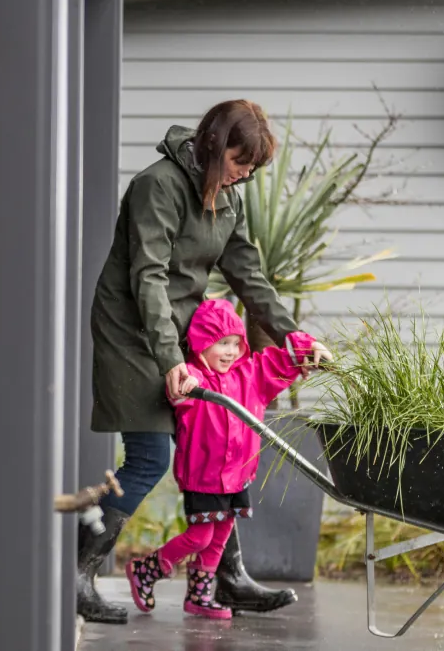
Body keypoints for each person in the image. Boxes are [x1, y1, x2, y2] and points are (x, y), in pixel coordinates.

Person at [78, 99, 334, 623]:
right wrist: (171, 357)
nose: (246, 174)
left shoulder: (227, 198)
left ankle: (227, 577)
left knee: (218, 445)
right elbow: (146, 274)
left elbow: (250, 277)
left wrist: (296, 340)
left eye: (253, 167)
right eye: (242, 162)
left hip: (180, 328)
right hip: (131, 330)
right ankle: (77, 575)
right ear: (216, 145)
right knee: (149, 456)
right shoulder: (159, 186)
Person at [125, 299, 319, 619]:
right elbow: (179, 390)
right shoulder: (193, 375)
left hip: (236, 474)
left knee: (220, 535)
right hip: (204, 475)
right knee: (200, 536)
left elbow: (282, 361)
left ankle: (199, 595)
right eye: (220, 344)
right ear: (201, 344)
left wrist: (309, 350)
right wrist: (186, 385)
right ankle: (147, 569)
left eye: (234, 344)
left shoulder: (250, 375)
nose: (229, 352)